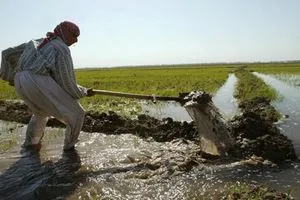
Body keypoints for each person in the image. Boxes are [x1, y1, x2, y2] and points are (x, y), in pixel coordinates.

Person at [14, 21, 94, 151]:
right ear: (65, 33)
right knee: (77, 113)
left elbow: (11, 54)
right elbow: (66, 82)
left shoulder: (38, 42)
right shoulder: (61, 48)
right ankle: (69, 148)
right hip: (36, 80)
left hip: (20, 79)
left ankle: (30, 145)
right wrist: (84, 92)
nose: (76, 40)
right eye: (74, 35)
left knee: (40, 113)